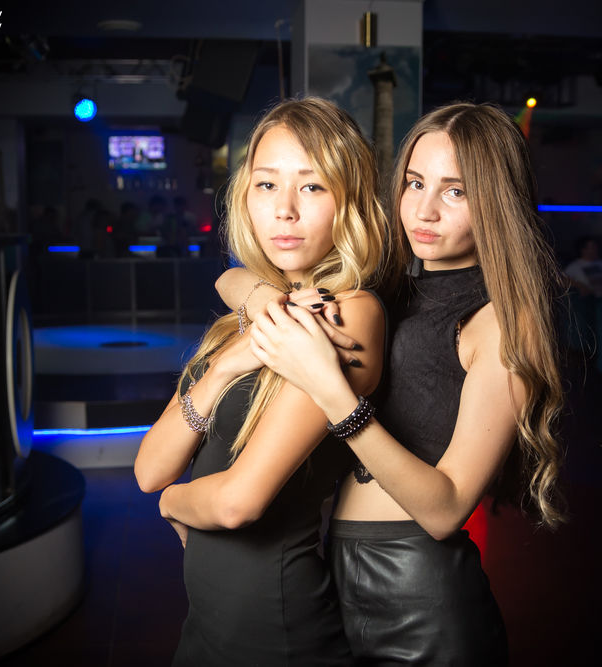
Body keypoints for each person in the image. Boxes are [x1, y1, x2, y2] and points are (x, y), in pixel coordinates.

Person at [223, 102, 567, 665]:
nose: (425, 209)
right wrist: (264, 298)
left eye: (455, 191)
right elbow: (230, 277)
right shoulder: (388, 287)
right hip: (336, 573)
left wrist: (332, 391)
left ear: (495, 201)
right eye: (415, 183)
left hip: (422, 595)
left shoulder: (504, 321)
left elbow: (446, 509)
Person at [133, 97, 388, 665]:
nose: (285, 210)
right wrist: (226, 365)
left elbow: (235, 504)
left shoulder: (347, 314)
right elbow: (149, 469)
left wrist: (174, 504)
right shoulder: (247, 315)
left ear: (349, 203)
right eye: (267, 184)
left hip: (276, 631)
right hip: (205, 625)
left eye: (313, 186)